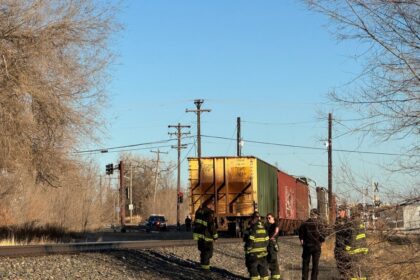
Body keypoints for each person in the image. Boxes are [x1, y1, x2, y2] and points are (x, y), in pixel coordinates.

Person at [298, 208, 326, 280]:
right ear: (317, 215)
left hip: (307, 247)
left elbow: (301, 237)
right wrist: (320, 242)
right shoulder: (320, 224)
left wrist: (303, 244)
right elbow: (323, 237)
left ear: (310, 214)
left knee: (305, 264)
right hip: (316, 247)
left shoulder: (304, 224)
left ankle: (304, 278)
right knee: (315, 265)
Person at [193, 200, 218, 271]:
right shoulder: (208, 213)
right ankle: (205, 269)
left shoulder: (198, 211)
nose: (214, 208)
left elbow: (196, 223)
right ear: (210, 205)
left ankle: (203, 264)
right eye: (213, 206)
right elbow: (211, 226)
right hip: (207, 236)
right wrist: (215, 236)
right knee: (208, 253)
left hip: (199, 236)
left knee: (203, 251)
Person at [243, 211, 270, 280]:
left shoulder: (253, 228)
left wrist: (248, 249)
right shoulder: (264, 229)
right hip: (263, 254)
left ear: (253, 219)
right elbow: (267, 241)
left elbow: (250, 241)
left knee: (253, 269)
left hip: (253, 254)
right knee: (263, 269)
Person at [346, 205, 369, 279]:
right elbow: (363, 236)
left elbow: (353, 236)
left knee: (354, 269)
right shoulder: (361, 222)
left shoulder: (354, 223)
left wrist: (348, 247)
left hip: (355, 249)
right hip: (363, 248)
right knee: (361, 267)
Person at [334, 205, 353, 279]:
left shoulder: (348, 221)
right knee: (339, 263)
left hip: (346, 246)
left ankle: (345, 277)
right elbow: (336, 230)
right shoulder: (337, 220)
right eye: (339, 211)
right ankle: (342, 276)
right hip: (338, 246)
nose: (339, 212)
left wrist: (347, 245)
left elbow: (349, 233)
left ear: (344, 211)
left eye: (341, 211)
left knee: (346, 264)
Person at [265, 213, 281, 279]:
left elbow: (276, 230)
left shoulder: (275, 224)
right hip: (268, 244)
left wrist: (272, 237)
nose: (268, 219)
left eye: (269, 218)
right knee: (268, 259)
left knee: (273, 259)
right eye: (267, 218)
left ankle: (276, 275)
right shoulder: (267, 225)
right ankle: (273, 275)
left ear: (273, 218)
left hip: (273, 244)